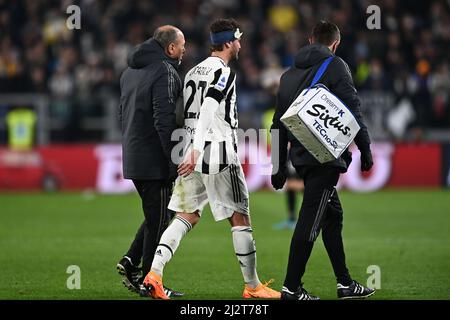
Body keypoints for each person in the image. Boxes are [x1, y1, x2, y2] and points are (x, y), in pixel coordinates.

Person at [141, 18, 280, 300]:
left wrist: (189, 147)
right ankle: (253, 287)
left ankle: (154, 274)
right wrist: (196, 149)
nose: (240, 44)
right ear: (228, 43)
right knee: (240, 218)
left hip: (191, 148)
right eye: (237, 40)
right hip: (216, 149)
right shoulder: (224, 73)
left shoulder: (192, 71)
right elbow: (207, 109)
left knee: (185, 215)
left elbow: (182, 112)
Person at [270, 21, 375, 300]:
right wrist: (365, 148)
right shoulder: (336, 65)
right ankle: (291, 288)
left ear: (310, 40)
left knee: (332, 216)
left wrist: (278, 165)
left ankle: (345, 284)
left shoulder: (288, 74)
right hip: (325, 158)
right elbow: (354, 111)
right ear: (335, 44)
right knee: (310, 220)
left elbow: (277, 125)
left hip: (302, 158)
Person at [116, 25, 185, 298]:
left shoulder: (128, 72)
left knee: (157, 215)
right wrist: (173, 160)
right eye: (182, 45)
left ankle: (131, 261)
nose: (184, 50)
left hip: (133, 155)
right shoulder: (165, 71)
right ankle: (149, 281)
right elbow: (164, 120)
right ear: (170, 48)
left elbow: (121, 115)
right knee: (159, 220)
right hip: (154, 160)